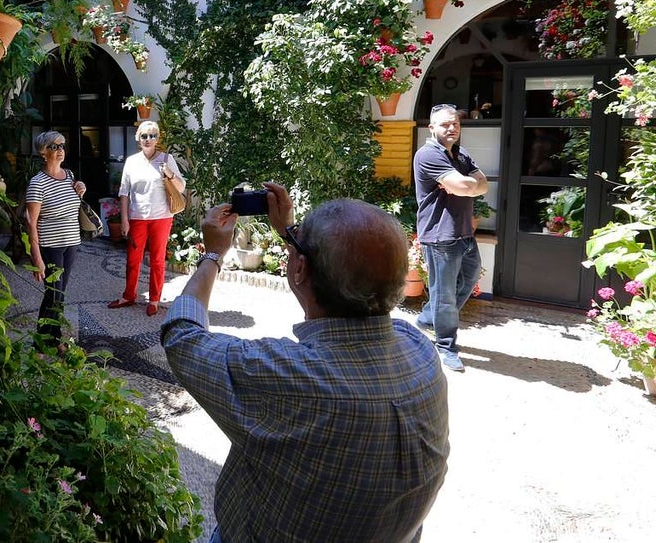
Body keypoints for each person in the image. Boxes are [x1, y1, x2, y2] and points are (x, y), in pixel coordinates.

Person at [161, 188, 449, 543]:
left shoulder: (288, 376)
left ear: (300, 269)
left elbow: (182, 336)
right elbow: (346, 287)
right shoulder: (421, 352)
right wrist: (292, 237)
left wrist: (213, 255)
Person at [414, 103, 489, 372]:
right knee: (444, 295)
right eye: (445, 124)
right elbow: (464, 185)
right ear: (432, 128)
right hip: (440, 234)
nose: (451, 128)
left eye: (455, 123)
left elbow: (481, 185)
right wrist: (466, 185)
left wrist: (468, 186)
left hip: (463, 231)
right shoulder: (428, 154)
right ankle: (445, 346)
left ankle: (427, 318)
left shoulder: (461, 153)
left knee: (469, 278)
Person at [108, 121, 185, 316]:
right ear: (138, 138)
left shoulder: (167, 159)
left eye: (152, 135)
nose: (148, 139)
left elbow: (181, 187)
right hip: (137, 217)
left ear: (157, 139)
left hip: (162, 217)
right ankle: (129, 295)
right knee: (132, 259)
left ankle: (154, 299)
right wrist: (124, 219)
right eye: (144, 136)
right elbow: (124, 192)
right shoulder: (131, 161)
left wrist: (169, 173)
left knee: (157, 260)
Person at [25, 130, 86, 341]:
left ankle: (54, 338)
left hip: (72, 243)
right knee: (53, 294)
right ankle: (41, 343)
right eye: (54, 146)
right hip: (51, 246)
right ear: (43, 152)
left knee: (60, 294)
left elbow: (72, 205)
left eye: (62, 146)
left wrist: (81, 189)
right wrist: (36, 258)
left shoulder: (69, 176)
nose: (60, 150)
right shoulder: (38, 183)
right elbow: (31, 223)